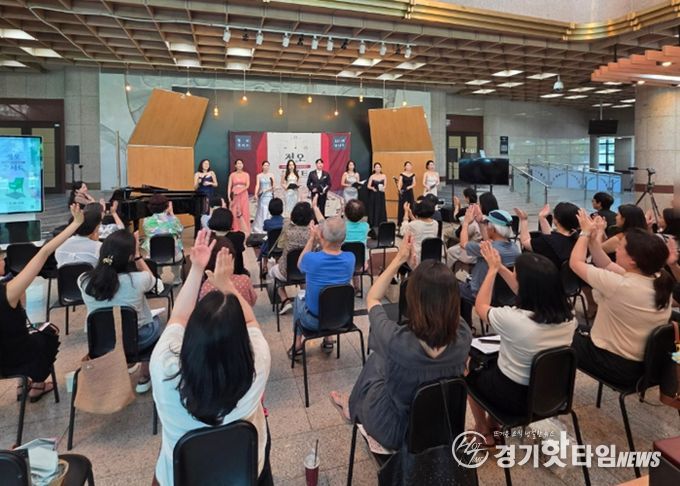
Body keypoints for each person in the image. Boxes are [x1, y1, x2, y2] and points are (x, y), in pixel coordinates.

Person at [150, 229, 272, 486]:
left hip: (181, 478)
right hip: (246, 471)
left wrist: (196, 269)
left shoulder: (164, 368)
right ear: (241, 339)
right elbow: (251, 320)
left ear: (191, 335)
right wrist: (226, 284)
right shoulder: (257, 364)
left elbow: (178, 317)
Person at [329, 233, 471, 451]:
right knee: (382, 359)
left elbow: (373, 298)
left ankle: (352, 406)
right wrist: (420, 273)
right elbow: (442, 302)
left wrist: (399, 260)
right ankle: (352, 404)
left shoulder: (396, 340)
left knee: (377, 360)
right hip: (440, 427)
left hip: (395, 430)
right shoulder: (463, 335)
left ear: (413, 299)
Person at [467, 242, 577, 446]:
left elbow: (481, 306)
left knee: (468, 365)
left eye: (515, 273)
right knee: (496, 364)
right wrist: (500, 266)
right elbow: (526, 290)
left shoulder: (515, 320)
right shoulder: (570, 318)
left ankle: (483, 429)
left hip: (514, 400)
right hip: (551, 395)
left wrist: (492, 271)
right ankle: (494, 425)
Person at [570, 211, 674, 388]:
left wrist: (585, 233)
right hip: (645, 367)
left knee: (558, 333)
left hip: (615, 366)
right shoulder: (659, 279)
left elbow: (575, 263)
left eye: (620, 247)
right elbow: (607, 264)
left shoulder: (619, 285)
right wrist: (594, 241)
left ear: (633, 261)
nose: (616, 249)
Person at [0, 205, 83, 402]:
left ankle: (23, 383)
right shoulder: (9, 291)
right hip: (19, 357)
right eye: (1, 258)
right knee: (48, 332)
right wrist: (76, 224)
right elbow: (44, 252)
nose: (4, 260)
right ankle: (37, 383)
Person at [79, 229, 163, 393]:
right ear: (130, 257)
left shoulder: (83, 280)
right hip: (137, 341)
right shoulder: (138, 280)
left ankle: (125, 364)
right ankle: (144, 375)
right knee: (156, 321)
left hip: (101, 342)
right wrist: (138, 256)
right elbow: (153, 281)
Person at [288, 217, 355, 358]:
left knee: (298, 299)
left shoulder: (312, 259)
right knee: (332, 294)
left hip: (314, 321)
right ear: (344, 238)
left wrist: (312, 239)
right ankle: (328, 339)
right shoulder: (351, 258)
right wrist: (323, 240)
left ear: (322, 236)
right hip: (343, 318)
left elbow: (299, 264)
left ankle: (297, 344)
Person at [458, 207, 520, 332]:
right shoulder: (515, 248)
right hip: (506, 297)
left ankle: (465, 328)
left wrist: (465, 223)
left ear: (493, 229)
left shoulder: (489, 248)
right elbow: (489, 242)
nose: (486, 226)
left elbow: (463, 243)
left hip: (481, 293)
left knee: (455, 287)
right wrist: (481, 223)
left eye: (487, 224)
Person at [268, 201, 314, 314]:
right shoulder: (313, 234)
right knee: (301, 272)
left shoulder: (288, 228)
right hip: (306, 272)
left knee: (272, 270)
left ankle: (285, 299)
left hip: (285, 272)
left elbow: (286, 220)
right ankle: (305, 295)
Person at [516, 202, 580, 269]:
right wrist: (542, 218)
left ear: (556, 220)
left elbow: (525, 241)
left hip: (551, 274)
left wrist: (524, 220)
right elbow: (551, 237)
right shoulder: (577, 239)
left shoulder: (546, 242)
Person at [199, 237, 257, 307]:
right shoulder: (244, 280)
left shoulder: (205, 286)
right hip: (244, 313)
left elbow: (202, 307)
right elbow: (253, 299)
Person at [446, 191, 498, 267]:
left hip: (475, 251)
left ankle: (448, 270)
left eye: (479, 204)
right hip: (488, 249)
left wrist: (466, 222)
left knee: (450, 251)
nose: (477, 205)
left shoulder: (475, 218)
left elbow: (463, 241)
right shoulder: (497, 219)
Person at [142, 194, 184, 259]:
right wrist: (172, 214)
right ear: (166, 206)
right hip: (174, 257)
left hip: (154, 257)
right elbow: (180, 231)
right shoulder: (174, 220)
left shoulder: (146, 221)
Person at [400, 197, 438, 266]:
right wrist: (411, 214)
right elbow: (420, 225)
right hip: (432, 258)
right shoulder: (435, 223)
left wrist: (406, 212)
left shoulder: (413, 225)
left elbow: (403, 231)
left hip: (417, 260)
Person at [258, 198, 285, 270]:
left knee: (264, 243)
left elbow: (264, 229)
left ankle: (265, 265)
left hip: (270, 247)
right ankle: (277, 263)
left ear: (270, 210)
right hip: (283, 246)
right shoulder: (285, 221)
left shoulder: (267, 222)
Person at [228, 159, 251, 234]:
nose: (239, 165)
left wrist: (240, 191)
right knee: (235, 211)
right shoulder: (232, 175)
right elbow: (229, 186)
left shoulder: (246, 174)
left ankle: (244, 228)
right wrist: (229, 197)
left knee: (244, 211)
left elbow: (247, 185)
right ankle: (235, 228)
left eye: (241, 163)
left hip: (243, 194)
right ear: (235, 165)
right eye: (238, 163)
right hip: (235, 195)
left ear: (243, 165)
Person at [253, 161, 275, 234]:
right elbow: (257, 185)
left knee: (268, 210)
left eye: (268, 165)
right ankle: (260, 227)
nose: (266, 167)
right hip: (262, 195)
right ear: (262, 166)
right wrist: (255, 194)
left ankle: (269, 226)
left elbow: (273, 186)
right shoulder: (259, 175)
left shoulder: (271, 175)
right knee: (261, 210)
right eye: (265, 165)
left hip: (269, 195)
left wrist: (267, 190)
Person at [366, 162, 387, 231]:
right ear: (374, 168)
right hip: (374, 194)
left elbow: (385, 185)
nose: (378, 168)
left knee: (381, 208)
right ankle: (373, 223)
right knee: (374, 208)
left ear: (381, 168)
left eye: (379, 167)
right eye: (376, 167)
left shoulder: (384, 176)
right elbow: (368, 186)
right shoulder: (372, 176)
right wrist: (372, 188)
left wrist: (383, 188)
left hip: (381, 194)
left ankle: (381, 223)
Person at [396, 161, 415, 229]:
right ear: (405, 167)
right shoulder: (402, 174)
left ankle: (410, 221)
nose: (408, 166)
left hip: (410, 191)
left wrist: (410, 187)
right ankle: (401, 222)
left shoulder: (413, 174)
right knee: (402, 206)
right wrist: (399, 190)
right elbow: (399, 183)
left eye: (410, 165)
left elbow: (414, 183)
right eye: (407, 165)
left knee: (410, 205)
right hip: (404, 191)